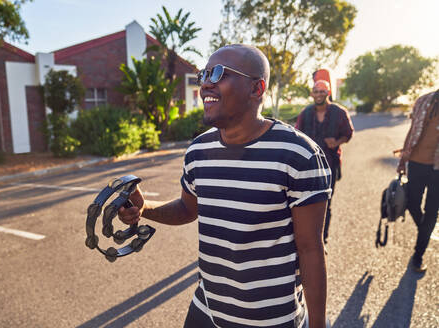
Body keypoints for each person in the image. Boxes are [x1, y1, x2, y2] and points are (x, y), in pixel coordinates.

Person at [119, 44, 332, 328]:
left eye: (219, 73)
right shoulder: (199, 150)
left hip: (270, 319)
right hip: (206, 309)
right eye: (204, 74)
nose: (206, 83)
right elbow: (186, 209)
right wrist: (144, 209)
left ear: (257, 89)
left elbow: (310, 250)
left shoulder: (298, 154)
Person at [295, 80, 354, 244]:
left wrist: (336, 142)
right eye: (316, 91)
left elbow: (348, 133)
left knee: (325, 204)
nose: (319, 94)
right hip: (307, 167)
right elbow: (297, 136)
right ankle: (304, 239)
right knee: (304, 203)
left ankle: (322, 240)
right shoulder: (305, 113)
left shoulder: (339, 112)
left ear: (328, 93)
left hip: (330, 165)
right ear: (312, 94)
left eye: (322, 91)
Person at [397, 89, 439, 273]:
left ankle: (418, 255)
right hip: (416, 162)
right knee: (412, 202)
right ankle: (426, 232)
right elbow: (412, 130)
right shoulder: (424, 101)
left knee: (432, 211)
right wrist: (402, 159)